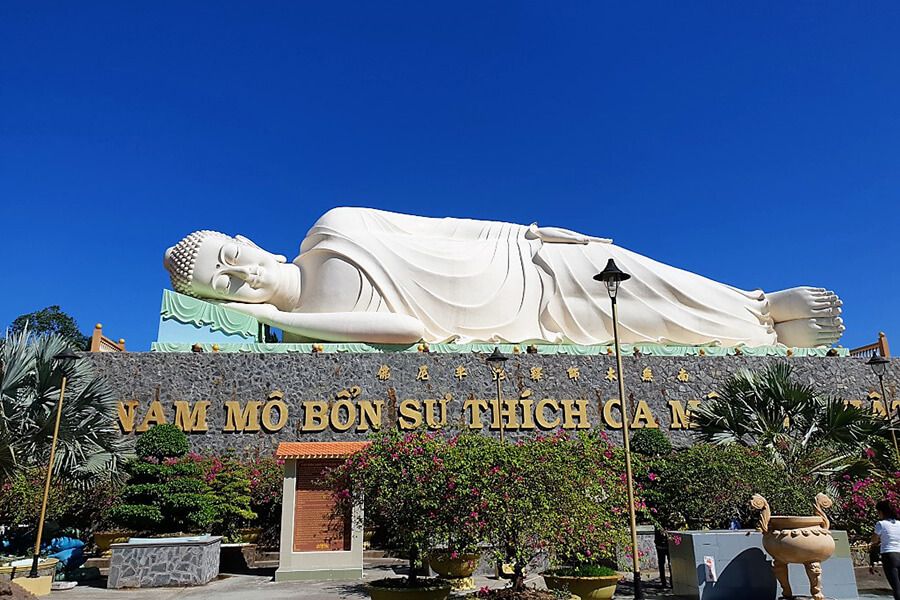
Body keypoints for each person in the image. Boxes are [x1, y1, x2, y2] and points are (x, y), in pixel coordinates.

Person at [164, 207, 844, 346]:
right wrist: (275, 316)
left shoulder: (333, 224)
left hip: (521, 263)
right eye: (221, 288)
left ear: (244, 237)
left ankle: (756, 303)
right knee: (642, 323)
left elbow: (440, 228)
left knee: (639, 275)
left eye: (230, 256)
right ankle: (761, 331)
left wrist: (526, 233)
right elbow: (406, 331)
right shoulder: (309, 320)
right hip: (520, 318)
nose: (240, 275)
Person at [873, 499, 900, 600]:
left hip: (889, 555)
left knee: (896, 587)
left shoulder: (881, 524)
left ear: (881, 512)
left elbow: (874, 540)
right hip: (899, 553)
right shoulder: (899, 523)